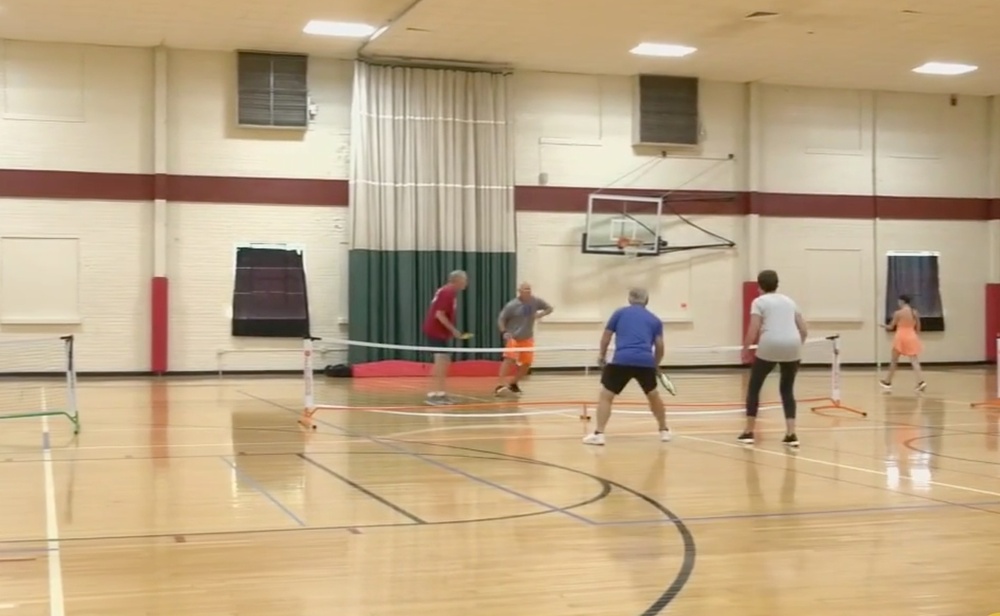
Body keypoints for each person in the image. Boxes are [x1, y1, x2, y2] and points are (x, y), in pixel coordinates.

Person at [582, 287, 671, 446]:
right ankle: (664, 431)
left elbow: (606, 336)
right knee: (653, 395)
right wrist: (655, 365)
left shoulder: (619, 313)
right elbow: (660, 346)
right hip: (645, 361)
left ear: (630, 299)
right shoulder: (654, 320)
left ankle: (599, 434)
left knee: (606, 396)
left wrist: (602, 356)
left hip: (621, 360)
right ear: (647, 300)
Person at [738, 269, 808, 448]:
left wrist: (745, 349)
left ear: (759, 286)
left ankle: (749, 431)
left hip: (770, 344)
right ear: (777, 284)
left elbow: (753, 329)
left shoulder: (759, 302)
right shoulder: (789, 301)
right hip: (793, 346)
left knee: (754, 386)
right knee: (787, 389)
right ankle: (791, 434)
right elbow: (803, 330)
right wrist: (797, 346)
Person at [495, 282, 553, 396]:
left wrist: (540, 315)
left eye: (529, 289)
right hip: (514, 337)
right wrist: (504, 331)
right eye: (525, 289)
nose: (527, 292)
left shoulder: (535, 301)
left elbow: (549, 308)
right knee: (509, 359)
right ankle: (500, 384)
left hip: (527, 337)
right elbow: (501, 319)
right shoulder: (512, 305)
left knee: (527, 363)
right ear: (519, 291)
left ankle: (513, 383)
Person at [422, 270, 470, 405]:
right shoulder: (447, 292)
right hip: (435, 331)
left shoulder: (449, 292)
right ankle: (432, 395)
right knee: (440, 362)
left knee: (444, 361)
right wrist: (454, 330)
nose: (466, 283)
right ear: (457, 280)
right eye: (464, 280)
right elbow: (439, 315)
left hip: (440, 332)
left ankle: (441, 393)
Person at [879, 294, 926, 392]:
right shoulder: (914, 312)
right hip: (911, 335)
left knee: (894, 361)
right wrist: (914, 335)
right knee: (914, 361)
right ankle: (921, 381)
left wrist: (883, 326)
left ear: (902, 301)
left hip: (900, 336)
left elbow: (891, 327)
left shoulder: (898, 313)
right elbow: (918, 327)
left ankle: (888, 381)